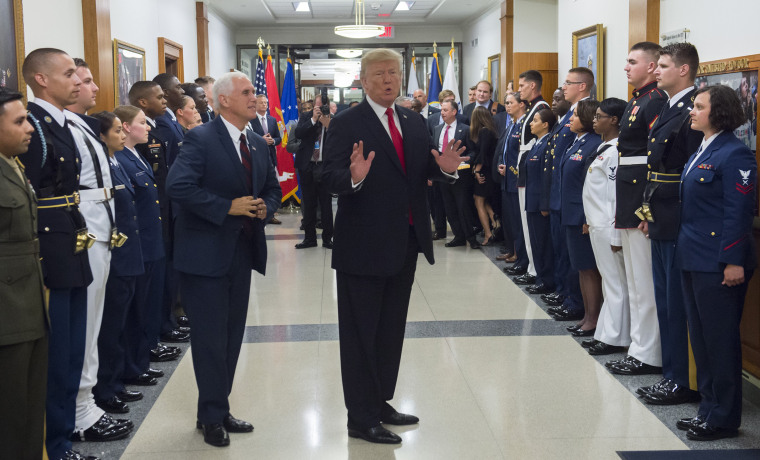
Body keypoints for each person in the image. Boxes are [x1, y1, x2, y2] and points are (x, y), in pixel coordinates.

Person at [321, 48, 467, 445]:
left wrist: (445, 171)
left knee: (390, 330)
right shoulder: (347, 122)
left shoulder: (413, 120)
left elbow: (421, 172)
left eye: (394, 73)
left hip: (406, 241)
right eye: (380, 74)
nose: (388, 79)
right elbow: (327, 176)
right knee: (360, 333)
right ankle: (360, 416)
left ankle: (380, 401)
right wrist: (352, 177)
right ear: (364, 81)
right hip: (363, 246)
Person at [166, 71, 281, 447]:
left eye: (254, 91)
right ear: (224, 100)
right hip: (204, 256)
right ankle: (212, 415)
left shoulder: (257, 143)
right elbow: (177, 186)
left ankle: (216, 407)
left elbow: (271, 188)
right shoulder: (199, 138)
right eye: (246, 92)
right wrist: (225, 207)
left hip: (241, 254)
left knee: (230, 338)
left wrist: (266, 206)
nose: (255, 97)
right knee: (210, 339)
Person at [21, 47, 95, 460]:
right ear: (42, 79)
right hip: (51, 247)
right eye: (69, 73)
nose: (78, 80)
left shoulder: (64, 122)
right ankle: (54, 444)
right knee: (57, 352)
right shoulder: (33, 123)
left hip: (71, 239)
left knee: (71, 348)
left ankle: (65, 435)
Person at [676, 85, 756, 441]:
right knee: (703, 339)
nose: (692, 111)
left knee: (720, 342)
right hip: (694, 257)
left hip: (719, 263)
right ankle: (708, 409)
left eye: (698, 106)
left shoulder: (735, 154)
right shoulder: (703, 148)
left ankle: (723, 418)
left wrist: (733, 261)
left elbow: (737, 214)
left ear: (718, 112)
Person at [65, 58, 135, 443]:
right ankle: (79, 409)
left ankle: (86, 404)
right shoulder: (57, 127)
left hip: (100, 228)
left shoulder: (82, 125)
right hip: (84, 231)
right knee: (85, 325)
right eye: (84, 80)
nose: (92, 87)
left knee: (93, 323)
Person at [628, 44, 703, 399]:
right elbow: (653, 171)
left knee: (676, 302)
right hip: (660, 216)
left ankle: (683, 380)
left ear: (684, 70)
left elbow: (686, 172)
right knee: (664, 300)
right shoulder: (669, 108)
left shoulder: (693, 110)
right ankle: (671, 374)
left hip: (678, 219)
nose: (657, 71)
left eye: (665, 66)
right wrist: (646, 212)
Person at [608, 41, 668, 378]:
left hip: (641, 198)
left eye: (633, 62)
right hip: (629, 196)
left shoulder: (655, 100)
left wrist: (646, 205)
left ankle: (649, 353)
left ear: (652, 65)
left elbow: (655, 158)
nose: (627, 67)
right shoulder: (639, 100)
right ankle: (638, 346)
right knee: (633, 281)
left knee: (645, 284)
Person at [0, 87, 48, 460]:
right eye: (19, 121)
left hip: (28, 305)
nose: (30, 128)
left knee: (29, 408)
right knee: (10, 412)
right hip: (6, 312)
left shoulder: (12, 164)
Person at [90, 110, 145, 415]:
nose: (123, 135)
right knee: (110, 327)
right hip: (115, 256)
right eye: (116, 131)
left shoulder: (115, 161)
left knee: (120, 323)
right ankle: (105, 389)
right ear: (101, 137)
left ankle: (115, 381)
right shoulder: (102, 168)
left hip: (127, 253)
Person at [128, 81, 188, 355]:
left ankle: (166, 321)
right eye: (159, 96)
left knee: (166, 272)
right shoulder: (148, 133)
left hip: (165, 208)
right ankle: (158, 328)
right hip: (153, 214)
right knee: (154, 281)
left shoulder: (159, 125)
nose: (165, 100)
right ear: (142, 102)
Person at [113, 105, 167, 392]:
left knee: (147, 304)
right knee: (135, 310)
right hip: (139, 244)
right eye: (142, 123)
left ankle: (142, 359)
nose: (148, 128)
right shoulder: (119, 159)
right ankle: (133, 365)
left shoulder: (136, 155)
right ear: (124, 126)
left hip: (151, 240)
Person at [583, 98, 631, 356]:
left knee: (615, 283)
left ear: (614, 120)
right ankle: (607, 331)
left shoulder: (615, 151)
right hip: (596, 224)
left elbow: (614, 195)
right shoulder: (605, 147)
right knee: (609, 282)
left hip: (608, 226)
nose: (594, 119)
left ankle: (614, 336)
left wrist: (615, 232)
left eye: (600, 116)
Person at [546, 67, 594, 322]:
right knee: (563, 251)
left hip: (574, 199)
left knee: (575, 257)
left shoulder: (587, 114)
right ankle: (566, 294)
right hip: (561, 195)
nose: (563, 87)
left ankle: (574, 300)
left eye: (568, 83)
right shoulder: (569, 115)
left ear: (583, 86)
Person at [560, 100, 603, 336]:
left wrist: (587, 217)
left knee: (588, 269)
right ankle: (587, 315)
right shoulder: (579, 142)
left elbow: (591, 185)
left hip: (582, 217)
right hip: (571, 214)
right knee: (581, 268)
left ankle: (593, 318)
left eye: (575, 115)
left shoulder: (594, 143)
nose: (570, 119)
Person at [513, 70, 550, 287]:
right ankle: (531, 267)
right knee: (525, 224)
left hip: (532, 165)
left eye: (522, 86)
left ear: (533, 86)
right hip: (525, 163)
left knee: (531, 225)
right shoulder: (532, 108)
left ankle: (536, 269)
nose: (519, 90)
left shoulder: (541, 108)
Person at [434, 100, 478, 249]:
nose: (442, 113)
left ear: (454, 112)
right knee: (449, 206)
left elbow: (473, 151)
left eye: (446, 110)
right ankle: (458, 236)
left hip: (460, 175)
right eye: (441, 110)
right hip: (442, 175)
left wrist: (465, 161)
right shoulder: (437, 129)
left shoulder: (465, 129)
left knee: (462, 205)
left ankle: (471, 238)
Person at [522, 108, 556, 295]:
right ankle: (540, 277)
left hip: (540, 204)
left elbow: (546, 178)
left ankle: (547, 280)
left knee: (543, 244)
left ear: (545, 124)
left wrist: (545, 203)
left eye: (535, 120)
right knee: (536, 242)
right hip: (532, 200)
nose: (530, 123)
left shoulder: (547, 144)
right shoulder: (536, 143)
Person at [294, 96, 334, 249]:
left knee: (326, 204)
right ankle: (309, 239)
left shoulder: (333, 119)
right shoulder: (305, 116)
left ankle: (327, 239)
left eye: (322, 106)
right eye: (317, 106)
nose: (320, 108)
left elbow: (340, 138)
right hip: (307, 166)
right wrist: (312, 119)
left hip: (325, 166)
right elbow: (298, 133)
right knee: (309, 204)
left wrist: (328, 124)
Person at [499, 92, 530, 276]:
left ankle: (520, 255)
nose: (507, 106)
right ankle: (512, 249)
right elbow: (505, 150)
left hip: (515, 178)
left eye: (511, 103)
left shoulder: (523, 125)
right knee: (509, 219)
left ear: (521, 105)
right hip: (506, 177)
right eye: (506, 103)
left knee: (518, 220)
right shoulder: (511, 125)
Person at [467, 106, 498, 245]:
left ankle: (488, 233)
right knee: (480, 199)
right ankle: (494, 220)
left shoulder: (484, 132)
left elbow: (483, 153)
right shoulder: (489, 130)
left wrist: (477, 171)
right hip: (487, 170)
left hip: (484, 171)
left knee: (478, 201)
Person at [152, 73, 185, 166]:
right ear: (165, 92)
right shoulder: (162, 121)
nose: (183, 91)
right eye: (178, 87)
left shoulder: (171, 118)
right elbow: (167, 160)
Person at [249, 94, 281, 169]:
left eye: (265, 103)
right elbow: (248, 139)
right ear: (255, 105)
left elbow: (278, 138)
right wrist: (261, 140)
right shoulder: (250, 120)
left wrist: (272, 141)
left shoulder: (272, 120)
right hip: (257, 158)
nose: (264, 104)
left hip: (271, 159)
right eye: (261, 103)